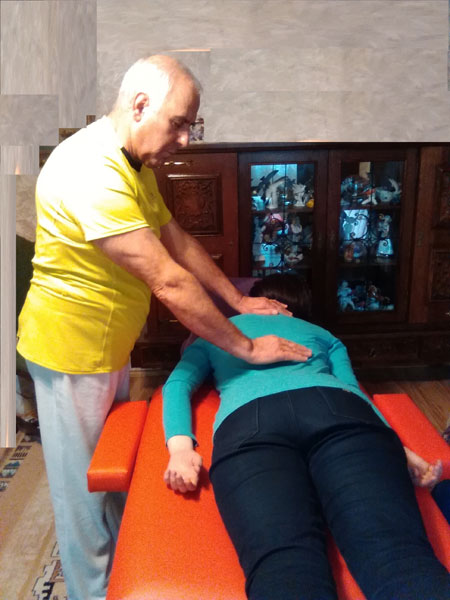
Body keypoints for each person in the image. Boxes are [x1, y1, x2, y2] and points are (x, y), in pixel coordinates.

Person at [16, 56, 311, 600]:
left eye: (191, 127)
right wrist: (247, 347)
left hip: (107, 343)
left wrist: (237, 299)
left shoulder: (133, 164)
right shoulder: (91, 171)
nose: (185, 140)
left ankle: (126, 562)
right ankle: (94, 592)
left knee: (113, 467)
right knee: (82, 499)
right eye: (178, 124)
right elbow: (169, 281)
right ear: (139, 105)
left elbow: (177, 241)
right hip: (70, 350)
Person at [163, 273, 450, 600]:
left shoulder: (217, 332)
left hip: (249, 422)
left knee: (285, 568)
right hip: (339, 409)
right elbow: (354, 391)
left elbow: (177, 385)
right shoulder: (321, 333)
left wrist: (181, 449)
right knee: (397, 556)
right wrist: (397, 446)